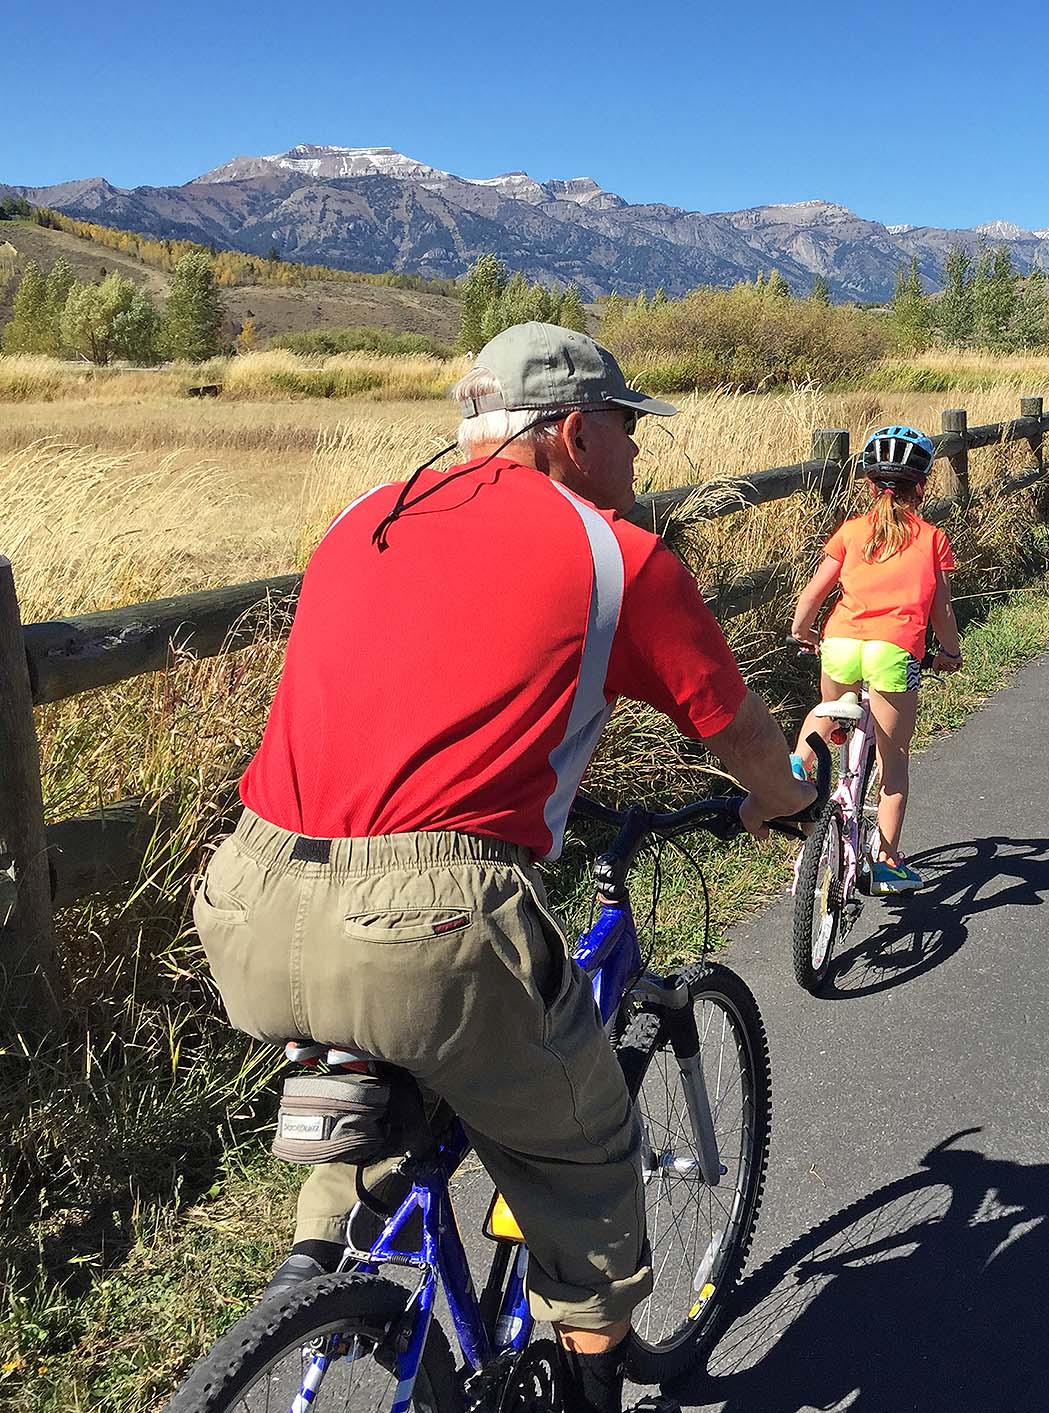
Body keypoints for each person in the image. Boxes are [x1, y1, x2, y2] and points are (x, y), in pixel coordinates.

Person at [191, 322, 816, 1413]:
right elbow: (745, 740)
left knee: (384, 1095)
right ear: (573, 432)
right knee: (588, 1160)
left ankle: (316, 1278)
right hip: (426, 923)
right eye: (627, 430)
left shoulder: (360, 520)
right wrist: (787, 803)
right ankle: (588, 1383)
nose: (636, 456)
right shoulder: (616, 558)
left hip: (246, 896)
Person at [789, 425, 961, 894]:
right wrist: (950, 652)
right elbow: (940, 609)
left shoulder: (850, 532)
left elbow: (812, 596)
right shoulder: (931, 539)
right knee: (895, 763)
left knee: (827, 715)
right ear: (922, 486)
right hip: (894, 652)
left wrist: (802, 631)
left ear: (869, 484)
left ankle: (798, 765)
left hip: (841, 644)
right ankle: (885, 861)